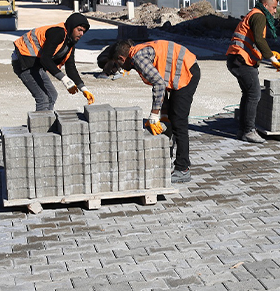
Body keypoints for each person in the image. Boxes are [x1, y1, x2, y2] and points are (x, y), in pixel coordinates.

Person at [107, 39, 200, 183]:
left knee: (179, 121)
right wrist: (163, 115)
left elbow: (159, 83)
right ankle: (168, 159)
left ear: (121, 58)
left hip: (187, 73)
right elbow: (161, 80)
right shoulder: (138, 51)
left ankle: (183, 169)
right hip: (180, 72)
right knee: (171, 118)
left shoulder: (138, 58)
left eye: (118, 64)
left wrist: (154, 114)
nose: (120, 68)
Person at [226, 0, 280, 144]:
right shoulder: (259, 16)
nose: (275, 11)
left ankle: (243, 130)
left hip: (237, 58)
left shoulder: (254, 14)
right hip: (241, 60)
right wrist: (272, 59)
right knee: (254, 94)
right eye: (274, 7)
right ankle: (249, 131)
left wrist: (270, 53)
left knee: (248, 94)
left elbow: (253, 41)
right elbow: (259, 39)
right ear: (266, 5)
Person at [11, 13, 95, 111]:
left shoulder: (70, 43)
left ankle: (46, 122)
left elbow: (70, 67)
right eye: (79, 30)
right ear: (71, 27)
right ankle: (41, 125)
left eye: (83, 31)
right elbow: (45, 59)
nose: (81, 34)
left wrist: (83, 89)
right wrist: (64, 79)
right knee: (43, 98)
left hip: (35, 63)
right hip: (23, 60)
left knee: (52, 95)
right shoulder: (58, 33)